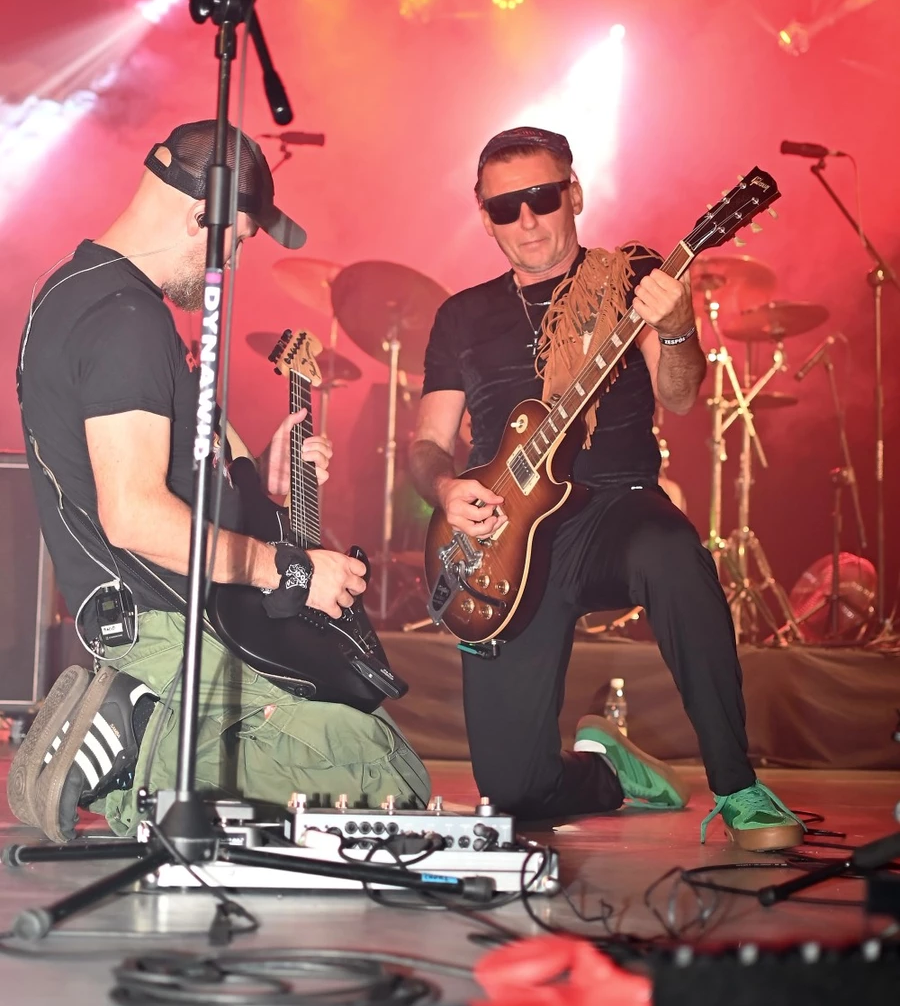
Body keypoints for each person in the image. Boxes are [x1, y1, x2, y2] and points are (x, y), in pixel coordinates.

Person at [12, 120, 428, 843]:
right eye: (236, 240)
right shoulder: (125, 319)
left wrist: (258, 471)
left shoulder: (84, 292)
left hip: (181, 614)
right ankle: (141, 732)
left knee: (357, 743)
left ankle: (141, 733)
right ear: (200, 214)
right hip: (164, 626)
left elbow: (173, 472)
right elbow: (135, 515)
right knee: (380, 772)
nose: (232, 260)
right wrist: (292, 570)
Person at [409, 126, 803, 852]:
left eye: (542, 197)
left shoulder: (630, 276)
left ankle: (737, 785)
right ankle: (608, 770)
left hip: (615, 508)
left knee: (672, 553)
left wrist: (677, 328)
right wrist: (445, 487)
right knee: (514, 795)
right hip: (506, 539)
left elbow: (679, 395)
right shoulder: (461, 315)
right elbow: (428, 443)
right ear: (484, 215)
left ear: (575, 193)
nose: (527, 219)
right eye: (505, 207)